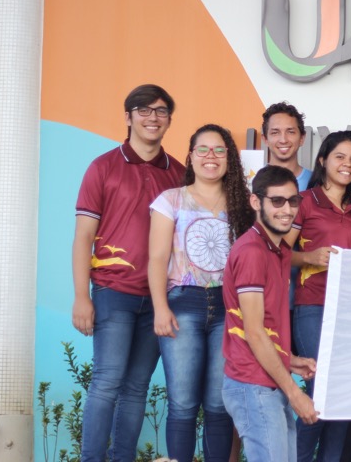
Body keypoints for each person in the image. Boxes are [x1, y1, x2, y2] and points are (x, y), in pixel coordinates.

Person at [72, 84, 185, 461]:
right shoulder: (103, 167)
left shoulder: (180, 175)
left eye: (161, 111)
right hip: (113, 292)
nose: (153, 117)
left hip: (160, 299)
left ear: (169, 120)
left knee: (136, 388)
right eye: (144, 110)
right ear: (128, 117)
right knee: (106, 383)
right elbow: (83, 237)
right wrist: (81, 296)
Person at [147, 124, 255, 462]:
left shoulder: (244, 204)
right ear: (191, 156)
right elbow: (157, 258)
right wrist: (160, 308)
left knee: (219, 405)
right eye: (203, 149)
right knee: (182, 404)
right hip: (183, 306)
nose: (211, 156)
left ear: (229, 158)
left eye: (220, 150)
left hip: (229, 309)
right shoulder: (170, 200)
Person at [285, 132, 351, 462]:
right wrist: (308, 257)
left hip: (350, 310)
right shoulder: (304, 201)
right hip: (312, 305)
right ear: (323, 160)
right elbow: (278, 252)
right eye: (340, 157)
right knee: (321, 389)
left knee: (342, 394)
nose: (347, 164)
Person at [221, 165, 319, 462]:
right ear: (256, 202)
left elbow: (267, 326)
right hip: (253, 384)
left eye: (293, 201)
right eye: (277, 201)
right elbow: (253, 331)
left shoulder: (278, 250)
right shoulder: (252, 252)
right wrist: (295, 393)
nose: (287, 210)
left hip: (269, 380)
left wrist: (291, 360)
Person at [263, 102, 312, 190]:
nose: (283, 140)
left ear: (302, 138)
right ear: (265, 139)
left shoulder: (316, 182)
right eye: (275, 133)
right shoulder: (253, 181)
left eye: (290, 132)